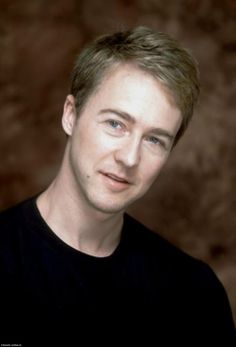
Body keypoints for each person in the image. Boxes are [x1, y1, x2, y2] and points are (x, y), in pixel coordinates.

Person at [0, 26, 235, 346]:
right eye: (115, 124)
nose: (130, 157)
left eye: (154, 139)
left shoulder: (194, 293)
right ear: (71, 115)